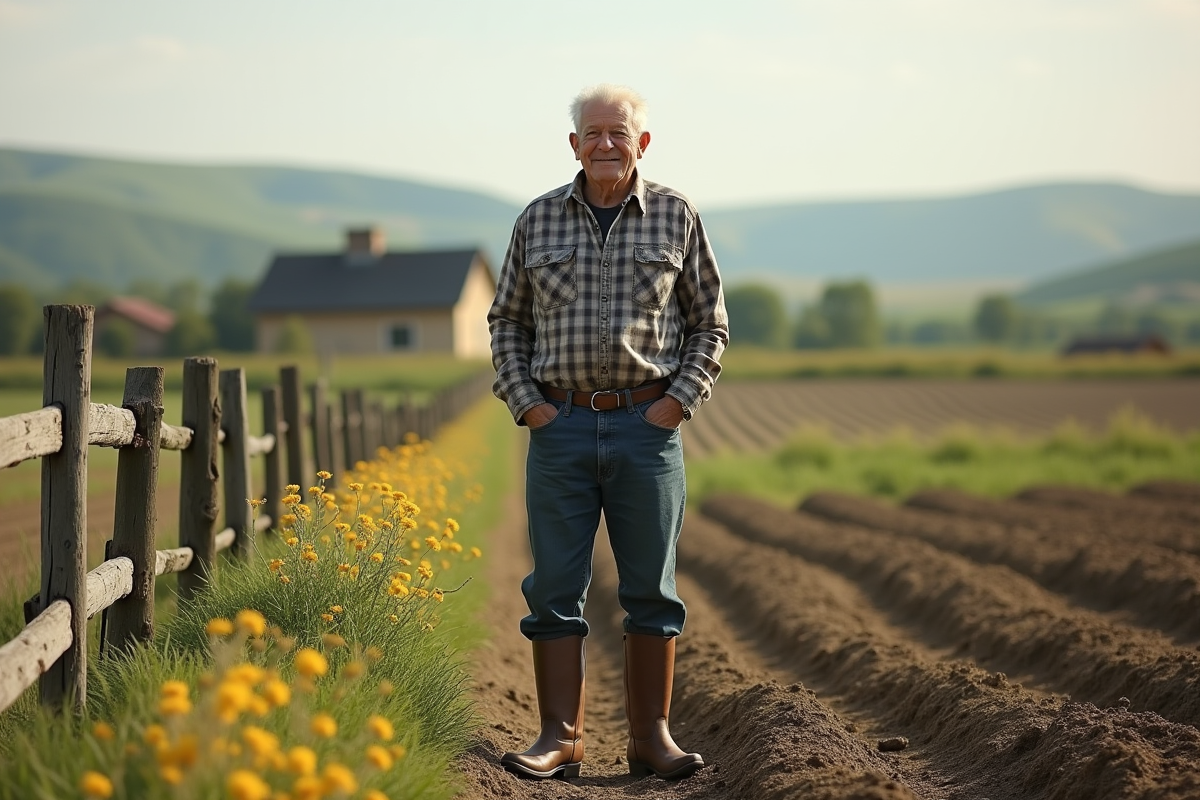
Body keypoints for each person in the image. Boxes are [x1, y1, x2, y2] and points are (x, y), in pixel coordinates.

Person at [488, 83, 728, 781]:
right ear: (573, 144)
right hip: (558, 428)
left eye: (618, 133)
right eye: (592, 133)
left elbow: (710, 322)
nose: (604, 144)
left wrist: (676, 404)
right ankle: (560, 736)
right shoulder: (536, 221)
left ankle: (651, 739)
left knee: (651, 587)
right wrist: (529, 404)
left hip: (646, 430)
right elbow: (506, 320)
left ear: (641, 143)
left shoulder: (677, 217)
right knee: (555, 586)